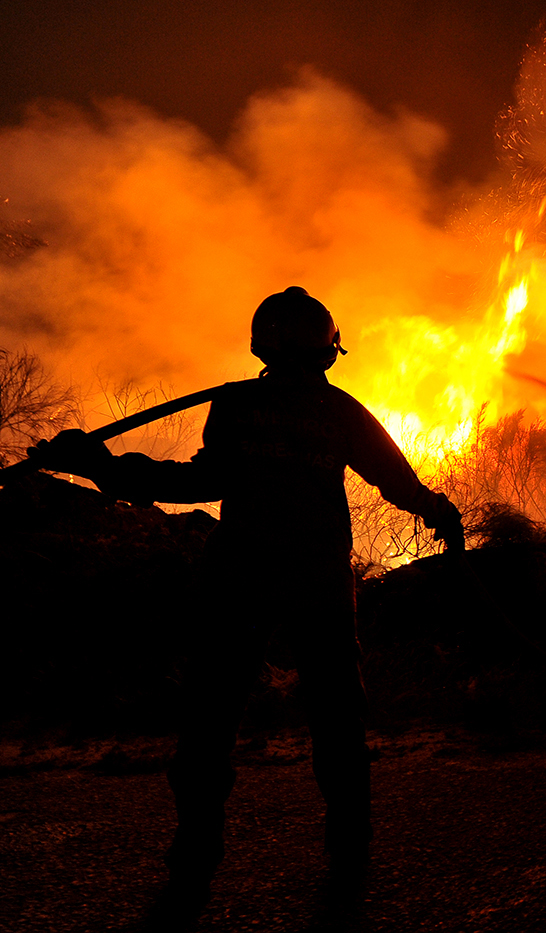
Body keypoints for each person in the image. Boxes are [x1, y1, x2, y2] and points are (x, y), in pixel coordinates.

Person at [29, 286, 463, 924]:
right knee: (338, 722)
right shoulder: (341, 411)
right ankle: (348, 861)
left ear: (261, 344)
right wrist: (439, 511)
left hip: (239, 580)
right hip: (315, 582)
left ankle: (192, 871)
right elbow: (394, 477)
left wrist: (99, 464)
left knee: (209, 723)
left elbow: (196, 482)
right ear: (329, 352)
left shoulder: (236, 405)